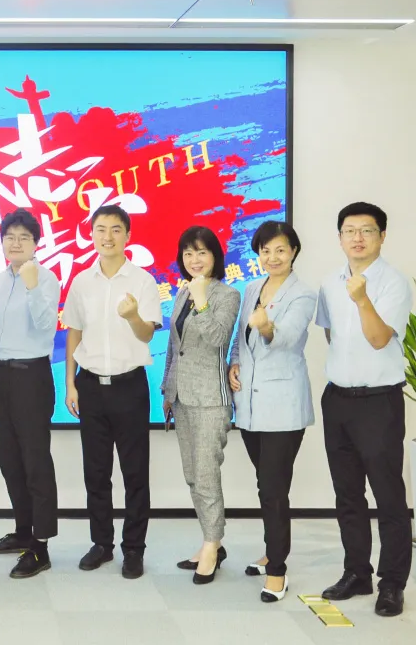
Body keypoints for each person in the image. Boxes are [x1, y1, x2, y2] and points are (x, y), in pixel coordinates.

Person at [315, 202, 412, 617]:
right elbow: (331, 335)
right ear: (339, 238)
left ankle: (392, 584)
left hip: (378, 402)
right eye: (349, 230)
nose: (357, 238)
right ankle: (357, 572)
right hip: (338, 400)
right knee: (348, 494)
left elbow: (378, 339)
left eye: (367, 230)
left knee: (388, 496)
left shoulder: (393, 283)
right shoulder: (329, 282)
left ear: (382, 236)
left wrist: (362, 299)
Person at [63, 205, 162, 579]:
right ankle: (102, 544)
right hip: (90, 386)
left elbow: (147, 334)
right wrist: (70, 383)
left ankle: (134, 549)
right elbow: (74, 331)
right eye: (101, 229)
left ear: (128, 235)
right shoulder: (81, 282)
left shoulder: (143, 281)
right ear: (91, 235)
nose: (108, 236)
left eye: (116, 229)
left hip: (129, 387)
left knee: (135, 473)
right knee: (96, 472)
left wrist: (133, 316)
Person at [228, 221, 317, 603]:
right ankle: (272, 551)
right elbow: (240, 337)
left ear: (294, 251)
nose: (273, 257)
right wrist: (233, 363)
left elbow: (287, 337)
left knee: (274, 489)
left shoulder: (303, 294)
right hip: (249, 403)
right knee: (266, 485)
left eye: (280, 249)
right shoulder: (252, 288)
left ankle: (277, 570)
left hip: (283, 406)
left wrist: (267, 327)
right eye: (265, 250)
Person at [0, 208, 61, 579]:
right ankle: (23, 531)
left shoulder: (45, 278)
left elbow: (47, 326)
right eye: (10, 237)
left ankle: (40, 546)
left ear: (35, 244)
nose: (15, 243)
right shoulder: (0, 280)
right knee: (10, 458)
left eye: (24, 238)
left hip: (30, 377)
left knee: (35, 461)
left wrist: (31, 286)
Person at [161, 226, 241, 585]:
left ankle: (212, 545)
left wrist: (202, 300)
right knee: (193, 475)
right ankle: (212, 541)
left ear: (215, 257)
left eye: (202, 252)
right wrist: (168, 391)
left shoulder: (228, 294)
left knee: (207, 476)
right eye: (188, 253)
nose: (194, 260)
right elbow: (173, 346)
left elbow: (218, 338)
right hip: (182, 397)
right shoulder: (182, 292)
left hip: (210, 399)